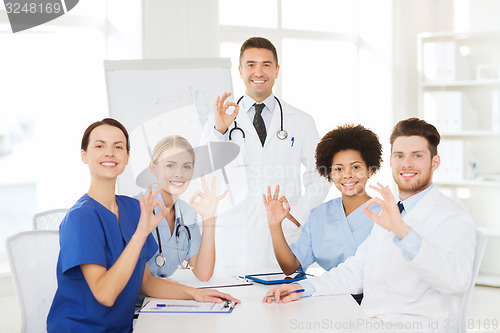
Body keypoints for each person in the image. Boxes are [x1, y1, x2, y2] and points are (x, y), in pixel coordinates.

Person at [264, 118, 477, 332]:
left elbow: (456, 281)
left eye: (417, 156)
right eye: (400, 156)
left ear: (435, 162)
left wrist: (402, 232)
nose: (407, 164)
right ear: (391, 162)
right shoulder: (390, 213)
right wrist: (302, 288)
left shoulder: (453, 217)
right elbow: (356, 270)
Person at [47, 118, 238, 332]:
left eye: (118, 147)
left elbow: (146, 283)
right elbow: (105, 294)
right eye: (99, 146)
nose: (109, 152)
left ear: (127, 157)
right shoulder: (80, 218)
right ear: (84, 155)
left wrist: (195, 294)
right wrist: (140, 233)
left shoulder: (133, 209)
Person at [202, 37, 330, 274]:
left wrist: (297, 215)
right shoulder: (219, 120)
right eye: (250, 65)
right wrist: (219, 131)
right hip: (234, 240)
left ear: (277, 70)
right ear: (240, 71)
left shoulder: (300, 121)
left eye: (266, 65)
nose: (258, 72)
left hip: (282, 235)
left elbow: (321, 174)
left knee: (282, 305)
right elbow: (205, 171)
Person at [263, 124, 382, 278]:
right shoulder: (319, 215)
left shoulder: (386, 214)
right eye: (338, 169)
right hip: (329, 294)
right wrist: (275, 226)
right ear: (330, 174)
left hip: (373, 298)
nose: (347, 175)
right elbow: (290, 267)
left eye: (356, 167)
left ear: (370, 170)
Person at [147, 135, 226, 281]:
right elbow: (139, 280)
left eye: (186, 166)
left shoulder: (187, 213)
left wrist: (209, 218)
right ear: (153, 169)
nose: (179, 174)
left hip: (164, 300)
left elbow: (203, 273)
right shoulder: (135, 207)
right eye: (170, 165)